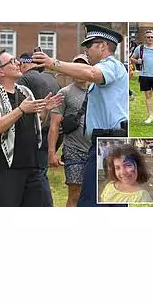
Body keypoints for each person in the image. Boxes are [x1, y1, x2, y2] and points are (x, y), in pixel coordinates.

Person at [32, 23, 129, 207]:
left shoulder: (111, 66)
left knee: (101, 203)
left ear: (103, 46)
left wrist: (53, 63)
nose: (86, 50)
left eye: (89, 45)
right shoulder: (107, 68)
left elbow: (91, 73)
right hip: (103, 144)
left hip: (110, 144)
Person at [0, 50, 62, 207]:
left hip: (33, 165)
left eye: (15, 60)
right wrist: (20, 110)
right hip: (7, 169)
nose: (17, 63)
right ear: (0, 71)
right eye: (11, 61)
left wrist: (46, 109)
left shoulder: (25, 92)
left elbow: (36, 122)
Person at [17, 51, 62, 205]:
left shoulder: (24, 79)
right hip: (55, 132)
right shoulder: (50, 78)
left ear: (24, 64)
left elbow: (20, 107)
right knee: (41, 173)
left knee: (37, 175)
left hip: (39, 132)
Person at [47, 54, 92, 207]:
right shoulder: (64, 93)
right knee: (75, 193)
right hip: (74, 150)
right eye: (76, 67)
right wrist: (52, 153)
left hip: (95, 149)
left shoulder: (98, 91)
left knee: (95, 192)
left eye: (83, 66)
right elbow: (54, 125)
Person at [129, 29, 153, 124]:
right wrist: (137, 61)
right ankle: (150, 116)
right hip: (144, 75)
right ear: (145, 38)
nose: (150, 39)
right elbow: (132, 58)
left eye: (152, 37)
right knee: (148, 96)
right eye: (148, 37)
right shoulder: (140, 48)